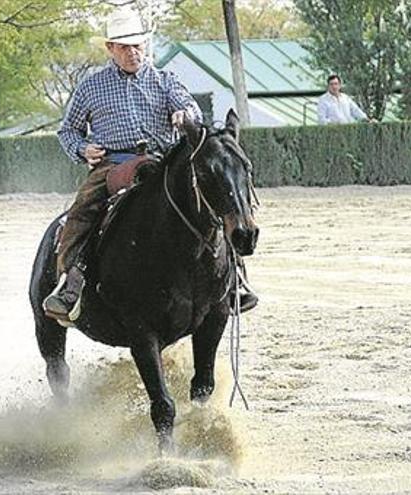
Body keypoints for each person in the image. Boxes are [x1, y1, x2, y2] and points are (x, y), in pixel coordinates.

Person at [43, 6, 258, 323]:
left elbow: (190, 108)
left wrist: (185, 115)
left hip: (164, 161)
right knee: (83, 209)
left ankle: (234, 279)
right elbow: (67, 131)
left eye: (138, 45)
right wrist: (82, 148)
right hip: (113, 164)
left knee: (211, 202)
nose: (133, 52)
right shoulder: (91, 87)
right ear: (110, 48)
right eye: (125, 46)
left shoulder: (164, 80)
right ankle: (69, 284)